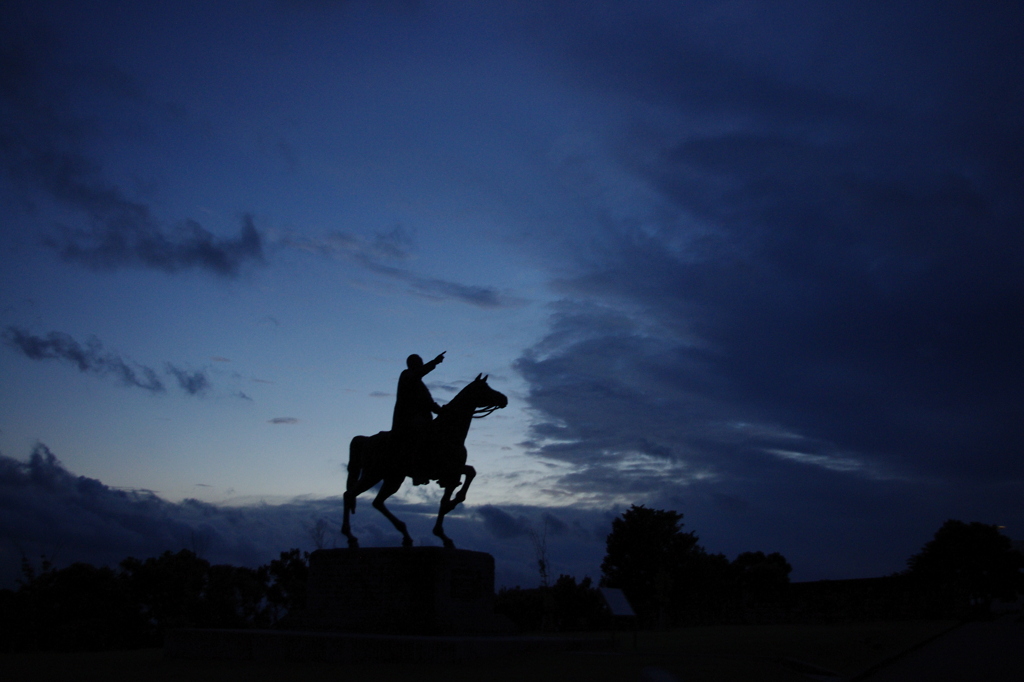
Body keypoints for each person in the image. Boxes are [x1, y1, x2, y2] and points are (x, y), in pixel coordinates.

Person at [391, 351, 445, 485]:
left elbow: (430, 403)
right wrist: (434, 362)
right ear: (413, 365)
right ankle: (417, 472)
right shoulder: (407, 375)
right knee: (422, 435)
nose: (421, 366)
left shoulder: (420, 385)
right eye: (419, 363)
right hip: (409, 420)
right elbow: (417, 374)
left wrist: (444, 411)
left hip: (424, 419)